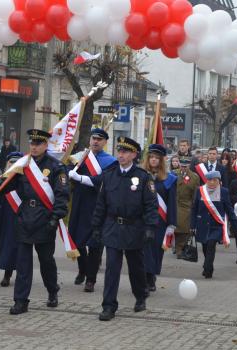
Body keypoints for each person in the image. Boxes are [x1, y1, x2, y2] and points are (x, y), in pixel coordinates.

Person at [0, 129, 69, 315]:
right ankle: (20, 300)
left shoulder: (56, 167)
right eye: (32, 143)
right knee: (22, 263)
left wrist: (56, 217)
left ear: (46, 145)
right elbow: (7, 183)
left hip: (45, 219)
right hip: (24, 218)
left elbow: (62, 195)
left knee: (46, 261)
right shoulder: (23, 165)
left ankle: (52, 290)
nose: (34, 147)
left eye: (38, 144)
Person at [92, 137, 158, 321]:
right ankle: (109, 306)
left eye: (125, 152)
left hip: (134, 228)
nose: (121, 155)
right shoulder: (109, 175)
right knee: (112, 268)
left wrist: (150, 227)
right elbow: (101, 204)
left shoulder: (143, 177)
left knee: (136, 267)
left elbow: (151, 205)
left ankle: (140, 295)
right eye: (119, 151)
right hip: (113, 227)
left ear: (134, 155)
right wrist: (96, 226)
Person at [68, 128, 117, 292]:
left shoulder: (110, 162)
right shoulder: (81, 157)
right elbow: (70, 176)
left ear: (105, 142)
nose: (95, 141)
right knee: (77, 241)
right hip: (80, 204)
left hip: (98, 206)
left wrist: (80, 178)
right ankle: (83, 269)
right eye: (93, 138)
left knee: (95, 245)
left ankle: (91, 279)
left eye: (99, 139)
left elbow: (103, 181)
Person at [190, 171, 237, 279]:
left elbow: (229, 209)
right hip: (202, 224)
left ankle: (208, 269)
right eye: (210, 180)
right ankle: (207, 264)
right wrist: (192, 225)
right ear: (206, 180)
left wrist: (236, 224)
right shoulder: (200, 190)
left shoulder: (224, 192)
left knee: (211, 245)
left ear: (219, 181)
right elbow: (194, 209)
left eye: (215, 180)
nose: (212, 182)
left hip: (216, 225)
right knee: (204, 246)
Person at [141, 144, 177, 292]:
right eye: (151, 157)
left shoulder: (169, 180)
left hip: (160, 221)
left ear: (161, 160)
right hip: (143, 220)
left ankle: (152, 276)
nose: (154, 160)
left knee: (156, 250)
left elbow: (172, 202)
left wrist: (171, 224)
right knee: (144, 250)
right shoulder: (141, 175)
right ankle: (146, 277)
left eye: (157, 158)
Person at [0, 152, 23, 287]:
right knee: (6, 245)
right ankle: (7, 273)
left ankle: (18, 274)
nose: (13, 165)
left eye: (16, 162)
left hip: (22, 216)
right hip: (6, 217)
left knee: (20, 246)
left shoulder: (25, 178)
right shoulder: (2, 179)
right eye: (11, 162)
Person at [174, 157, 200, 258]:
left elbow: (195, 194)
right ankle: (177, 247)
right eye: (182, 166)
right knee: (175, 228)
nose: (184, 168)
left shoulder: (194, 177)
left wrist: (193, 207)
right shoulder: (173, 174)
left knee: (184, 230)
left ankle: (180, 249)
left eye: (186, 166)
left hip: (186, 206)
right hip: (175, 204)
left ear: (189, 165)